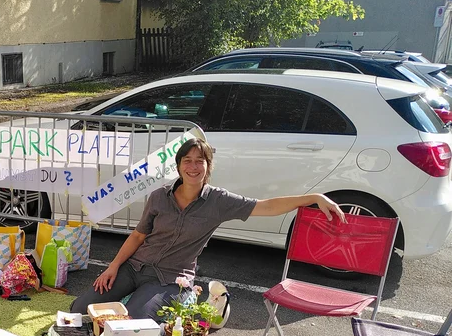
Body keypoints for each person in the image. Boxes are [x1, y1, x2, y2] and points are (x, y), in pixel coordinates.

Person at [70, 137, 346, 321]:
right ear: (178, 166)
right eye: (187, 160)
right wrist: (113, 266)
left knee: (130, 322)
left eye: (199, 161)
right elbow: (139, 235)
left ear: (208, 167)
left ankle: (180, 301)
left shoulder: (219, 202)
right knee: (81, 309)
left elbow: (267, 206)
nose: (193, 166)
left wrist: (313, 198)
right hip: (135, 267)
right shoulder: (158, 196)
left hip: (169, 278)